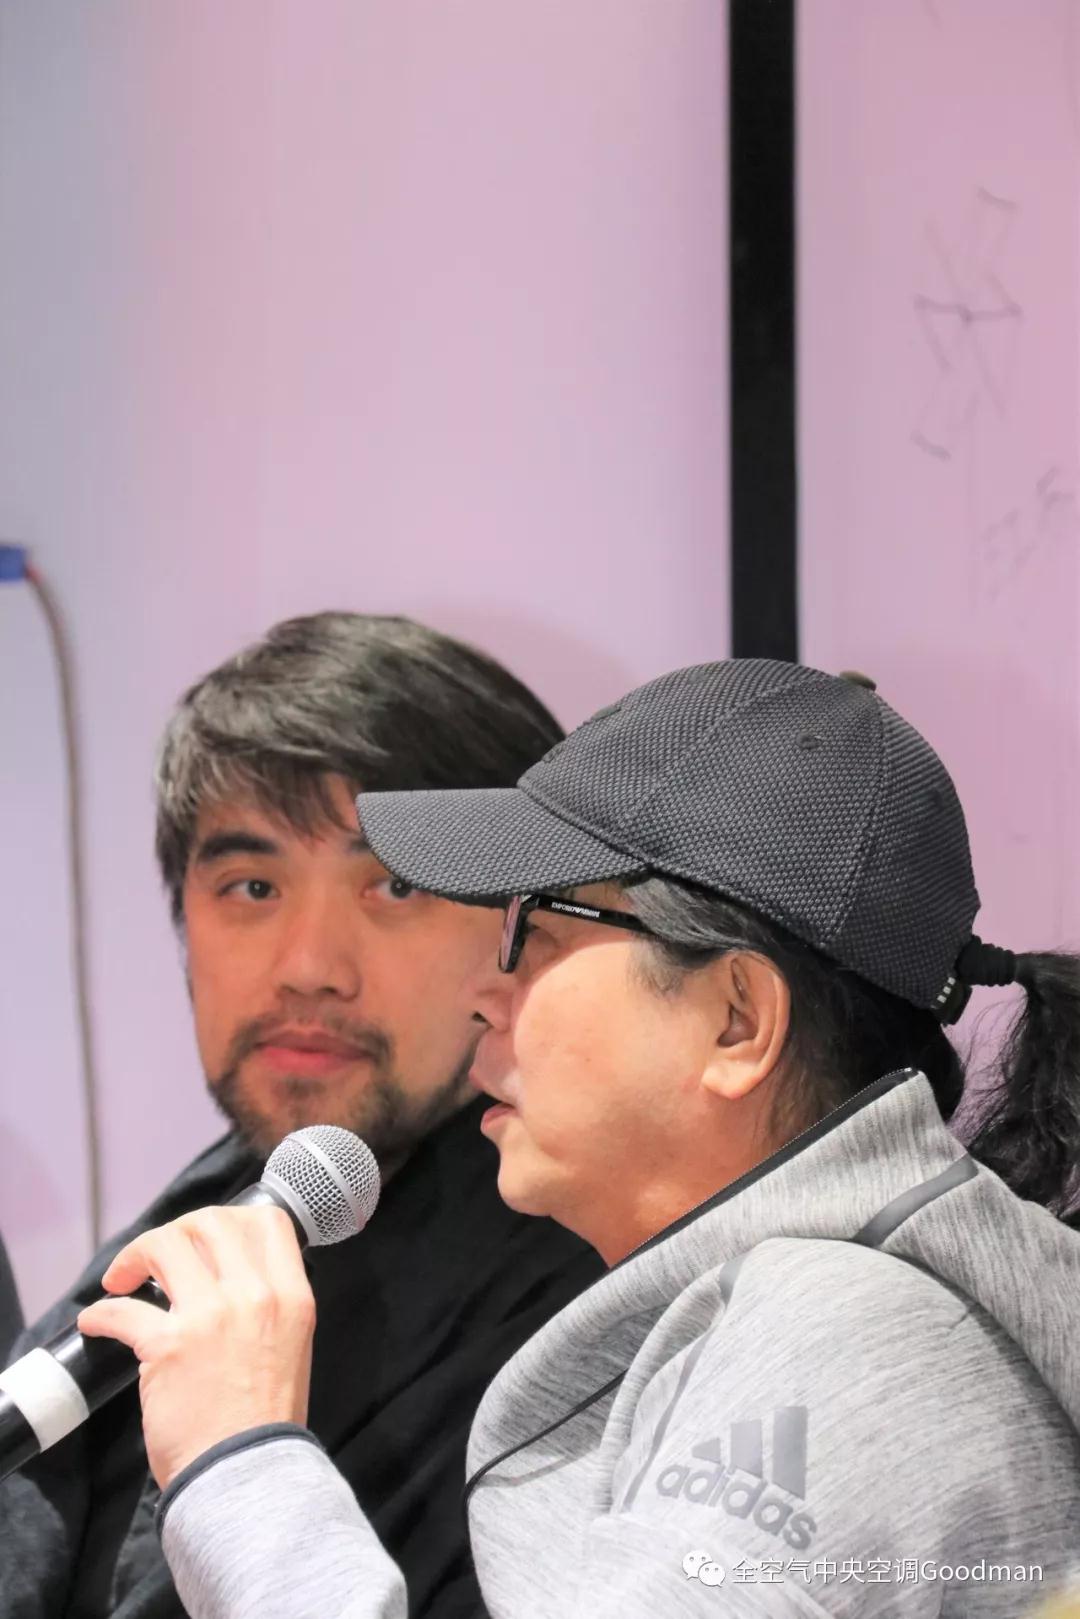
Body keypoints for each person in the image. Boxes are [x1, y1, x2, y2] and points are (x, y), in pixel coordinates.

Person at [79, 658, 1080, 1617]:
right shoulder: (826, 1307)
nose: (484, 992)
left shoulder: (843, 1342)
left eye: (536, 934)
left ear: (737, 1020)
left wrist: (240, 1458)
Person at [0, 612, 601, 1618]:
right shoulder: (212, 1210)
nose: (310, 967)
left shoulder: (599, 1319)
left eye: (395, 883)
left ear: (522, 926)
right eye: (252, 885)